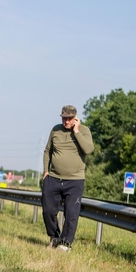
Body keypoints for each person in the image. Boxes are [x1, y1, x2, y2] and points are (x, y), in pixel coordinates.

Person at [42, 105, 95, 251]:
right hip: (53, 177)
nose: (66, 121)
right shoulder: (55, 130)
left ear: (75, 118)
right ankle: (54, 237)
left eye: (69, 119)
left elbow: (89, 149)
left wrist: (76, 131)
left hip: (75, 180)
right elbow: (48, 151)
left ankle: (65, 243)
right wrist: (45, 170)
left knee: (71, 213)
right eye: (64, 118)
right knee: (48, 211)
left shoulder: (84, 130)